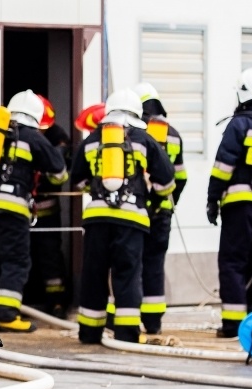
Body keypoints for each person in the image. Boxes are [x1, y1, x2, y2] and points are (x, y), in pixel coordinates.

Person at [71, 89, 175, 343]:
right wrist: (151, 197)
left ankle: (89, 333)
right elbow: (166, 180)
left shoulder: (92, 139)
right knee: (127, 275)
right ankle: (127, 334)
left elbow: (78, 180)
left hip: (96, 218)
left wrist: (98, 190)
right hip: (132, 219)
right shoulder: (144, 139)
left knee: (94, 274)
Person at [0, 90, 68, 332]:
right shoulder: (33, 137)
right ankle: (7, 314)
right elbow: (59, 172)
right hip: (13, 207)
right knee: (16, 260)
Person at [206, 67, 252, 338]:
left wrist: (212, 199)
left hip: (240, 205)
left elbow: (223, 166)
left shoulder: (240, 124)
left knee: (233, 262)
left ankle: (233, 324)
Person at [132, 82, 187, 334]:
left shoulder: (134, 132)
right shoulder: (173, 134)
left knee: (130, 264)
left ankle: (125, 318)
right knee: (154, 265)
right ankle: (153, 322)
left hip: (135, 210)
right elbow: (181, 177)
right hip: (162, 212)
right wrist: (167, 203)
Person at [27, 94, 72, 319]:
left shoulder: (58, 137)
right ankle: (15, 304)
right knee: (16, 256)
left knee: (50, 256)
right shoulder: (13, 134)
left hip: (46, 208)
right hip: (18, 209)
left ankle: (57, 303)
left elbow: (61, 172)